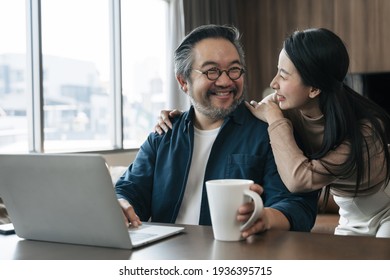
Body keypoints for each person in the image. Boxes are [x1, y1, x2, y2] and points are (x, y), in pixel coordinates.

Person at [157, 28, 390, 238]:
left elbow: (300, 180)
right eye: (278, 71)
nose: (273, 82)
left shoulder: (366, 131)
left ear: (315, 89)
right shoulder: (283, 105)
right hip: (350, 213)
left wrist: (276, 119)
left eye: (284, 75)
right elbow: (234, 110)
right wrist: (187, 117)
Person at [115, 24, 318, 239]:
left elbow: (298, 206)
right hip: (164, 254)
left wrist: (266, 216)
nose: (225, 81)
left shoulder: (268, 133)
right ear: (183, 82)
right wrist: (120, 204)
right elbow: (129, 190)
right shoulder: (163, 135)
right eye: (211, 71)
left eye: (234, 69)